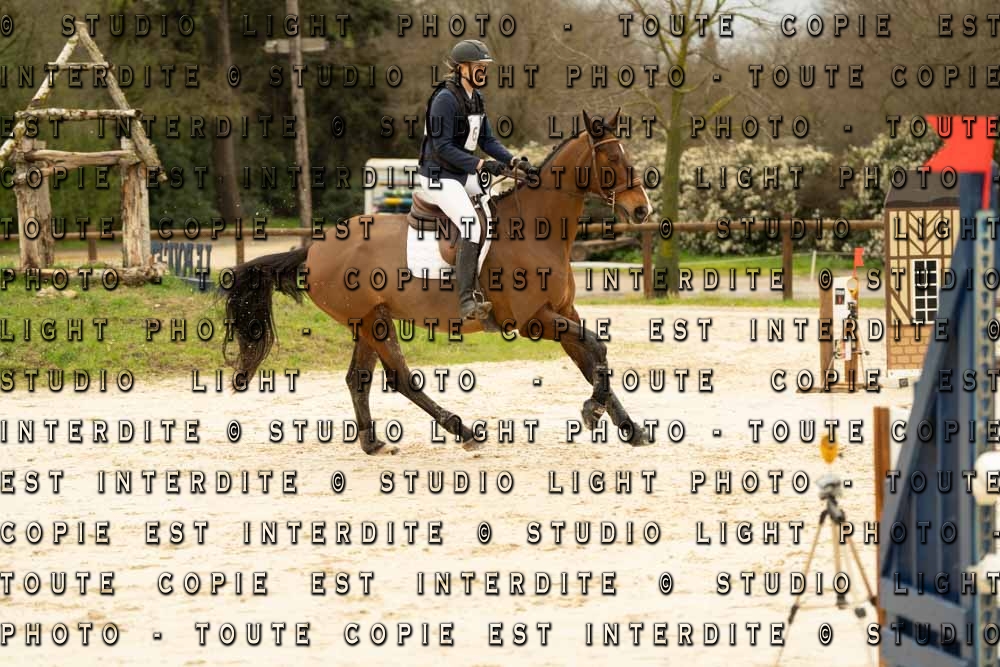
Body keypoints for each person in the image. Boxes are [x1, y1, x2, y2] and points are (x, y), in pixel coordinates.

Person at [417, 39, 538, 322]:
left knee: (495, 212)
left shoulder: (476, 98)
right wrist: (483, 164)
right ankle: (465, 301)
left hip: (459, 173)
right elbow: (442, 147)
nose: (483, 71)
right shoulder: (445, 99)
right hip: (438, 175)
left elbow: (487, 140)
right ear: (462, 68)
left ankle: (491, 282)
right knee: (471, 225)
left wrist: (513, 161)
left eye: (485, 67)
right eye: (478, 67)